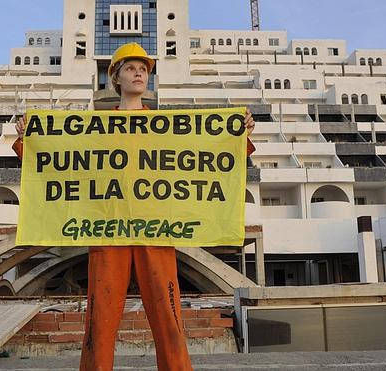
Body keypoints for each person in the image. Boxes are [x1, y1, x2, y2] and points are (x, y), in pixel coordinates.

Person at [13, 42, 255, 371]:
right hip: (108, 231)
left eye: (144, 68)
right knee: (99, 323)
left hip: (155, 231)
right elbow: (60, 161)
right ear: (116, 77)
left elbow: (205, 159)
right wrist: (30, 138)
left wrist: (238, 137)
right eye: (130, 67)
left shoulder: (164, 129)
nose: (139, 72)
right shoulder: (96, 127)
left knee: (169, 321)